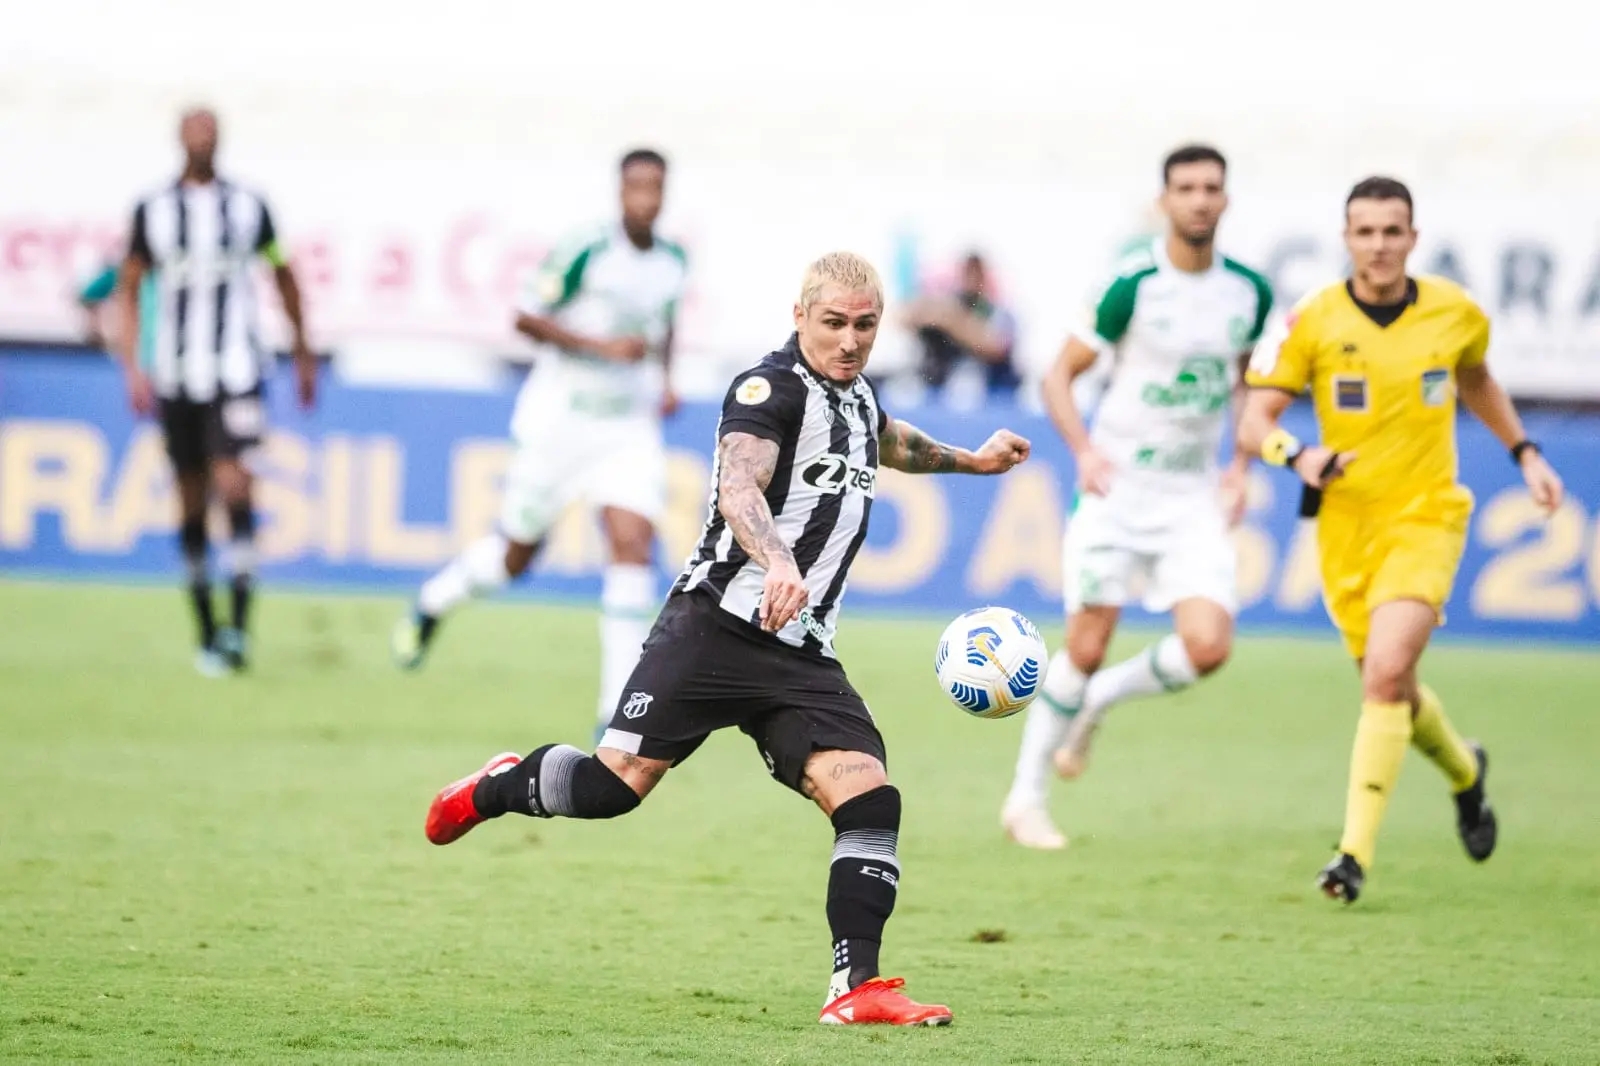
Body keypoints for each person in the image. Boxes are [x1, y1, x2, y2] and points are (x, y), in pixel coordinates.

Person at [422, 251, 1030, 1026]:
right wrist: (779, 561)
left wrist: (972, 461)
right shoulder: (767, 390)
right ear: (800, 316)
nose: (850, 340)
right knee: (612, 789)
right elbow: (739, 485)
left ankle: (856, 989)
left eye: (866, 326)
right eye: (834, 323)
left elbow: (889, 441)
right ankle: (499, 785)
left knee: (870, 796)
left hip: (800, 650)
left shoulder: (856, 396)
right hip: (713, 627)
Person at [1238, 176, 1564, 903]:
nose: (1380, 245)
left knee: (1385, 676)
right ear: (1346, 238)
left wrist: (1526, 453)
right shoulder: (1312, 319)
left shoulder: (1455, 311)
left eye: (1393, 231)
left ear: (1413, 238)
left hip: (1426, 516)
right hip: (1345, 528)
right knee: (1394, 688)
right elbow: (1255, 422)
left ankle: (1351, 856)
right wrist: (1300, 456)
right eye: (1366, 232)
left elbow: (1477, 380)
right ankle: (1465, 771)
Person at [999, 144, 1274, 850]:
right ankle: (1026, 799)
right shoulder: (1132, 286)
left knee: (1209, 647)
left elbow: (1249, 383)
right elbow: (1058, 376)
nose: (1200, 199)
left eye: (1211, 187)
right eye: (1186, 188)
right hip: (1118, 491)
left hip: (1191, 497)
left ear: (1226, 199)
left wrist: (1240, 466)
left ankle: (1100, 700)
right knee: (1085, 646)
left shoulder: (1248, 291)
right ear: (1165, 200)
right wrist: (1085, 452)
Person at [393, 147, 689, 733]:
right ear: (620, 191)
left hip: (627, 427)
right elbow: (525, 316)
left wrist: (667, 379)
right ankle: (433, 603)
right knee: (516, 555)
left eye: (655, 188)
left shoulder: (673, 261)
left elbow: (666, 325)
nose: (646, 199)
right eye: (636, 187)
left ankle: (615, 713)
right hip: (561, 422)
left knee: (632, 543)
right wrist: (602, 349)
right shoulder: (588, 248)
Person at [114, 106, 316, 676]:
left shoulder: (250, 207)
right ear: (179, 138)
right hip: (177, 375)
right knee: (190, 498)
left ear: (220, 139)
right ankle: (205, 628)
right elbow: (130, 286)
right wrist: (133, 367)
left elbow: (282, 272)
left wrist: (303, 350)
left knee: (236, 486)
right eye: (194, 130)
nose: (203, 138)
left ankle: (239, 630)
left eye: (210, 130)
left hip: (237, 371)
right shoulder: (153, 210)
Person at [898, 252, 1021, 407]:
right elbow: (902, 318)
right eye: (968, 273)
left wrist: (955, 322)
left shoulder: (996, 311)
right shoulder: (948, 304)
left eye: (976, 274)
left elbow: (996, 347)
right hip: (937, 392)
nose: (972, 281)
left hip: (989, 394)